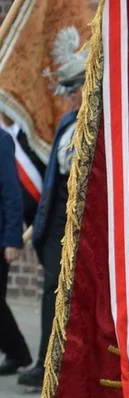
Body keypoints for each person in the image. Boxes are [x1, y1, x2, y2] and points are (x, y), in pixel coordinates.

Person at [17, 28, 85, 390]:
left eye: (73, 91)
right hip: (57, 221)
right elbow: (52, 182)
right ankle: (46, 363)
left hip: (83, 221)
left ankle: (61, 365)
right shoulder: (66, 123)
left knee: (73, 296)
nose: (69, 98)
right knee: (51, 295)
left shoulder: (100, 123)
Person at [0, 129, 31, 375]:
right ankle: (16, 352)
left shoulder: (2, 140)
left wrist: (12, 239)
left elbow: (11, 193)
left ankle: (17, 352)